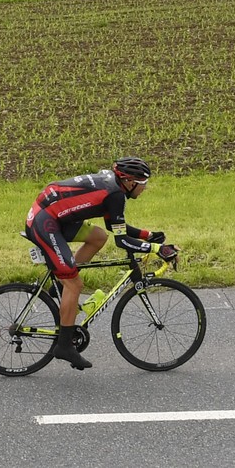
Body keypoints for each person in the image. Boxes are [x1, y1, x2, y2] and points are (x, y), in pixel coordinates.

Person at [23, 157, 173, 371]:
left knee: (98, 237)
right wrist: (158, 250)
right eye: (143, 184)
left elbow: (114, 226)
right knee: (74, 284)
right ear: (130, 182)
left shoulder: (114, 187)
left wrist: (148, 235)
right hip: (46, 222)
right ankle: (64, 346)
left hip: (53, 214)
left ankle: (59, 285)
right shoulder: (116, 195)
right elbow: (122, 241)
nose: (145, 188)